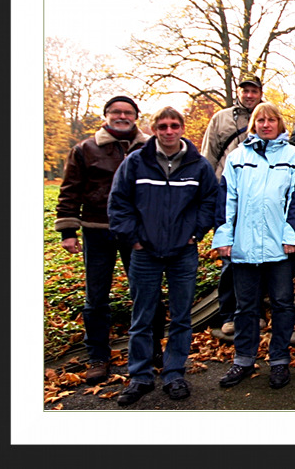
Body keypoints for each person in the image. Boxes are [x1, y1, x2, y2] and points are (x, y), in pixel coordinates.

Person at [108, 106, 218, 405]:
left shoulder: (198, 166)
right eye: (162, 126)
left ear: (182, 128)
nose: (168, 132)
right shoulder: (136, 163)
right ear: (154, 129)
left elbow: (210, 201)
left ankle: (174, 374)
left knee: (181, 317)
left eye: (174, 126)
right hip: (145, 252)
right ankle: (140, 376)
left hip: (183, 251)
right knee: (142, 317)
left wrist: (196, 231)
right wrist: (133, 238)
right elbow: (119, 202)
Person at [55, 95, 162, 385]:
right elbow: (70, 190)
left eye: (128, 112)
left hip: (139, 232)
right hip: (97, 228)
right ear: (106, 115)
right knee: (96, 296)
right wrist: (68, 230)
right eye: (116, 112)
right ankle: (98, 357)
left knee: (145, 291)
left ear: (136, 116)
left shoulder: (150, 146)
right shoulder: (85, 149)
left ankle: (151, 350)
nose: (122, 116)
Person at [212, 103, 295, 391]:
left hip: (280, 248)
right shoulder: (238, 157)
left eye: (271, 120)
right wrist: (224, 237)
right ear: (253, 124)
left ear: (279, 123)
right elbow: (227, 199)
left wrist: (292, 235)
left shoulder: (293, 156)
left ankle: (279, 359)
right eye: (260, 120)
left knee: (281, 305)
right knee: (245, 308)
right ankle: (243, 359)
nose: (266, 125)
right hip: (244, 246)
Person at [200, 74, 266, 337]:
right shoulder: (221, 119)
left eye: (254, 91)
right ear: (238, 91)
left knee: (259, 257)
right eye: (245, 90)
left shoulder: (267, 117)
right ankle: (229, 313)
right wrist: (208, 193)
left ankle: (256, 310)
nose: (249, 95)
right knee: (230, 258)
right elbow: (208, 157)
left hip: (259, 199)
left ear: (261, 93)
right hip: (227, 196)